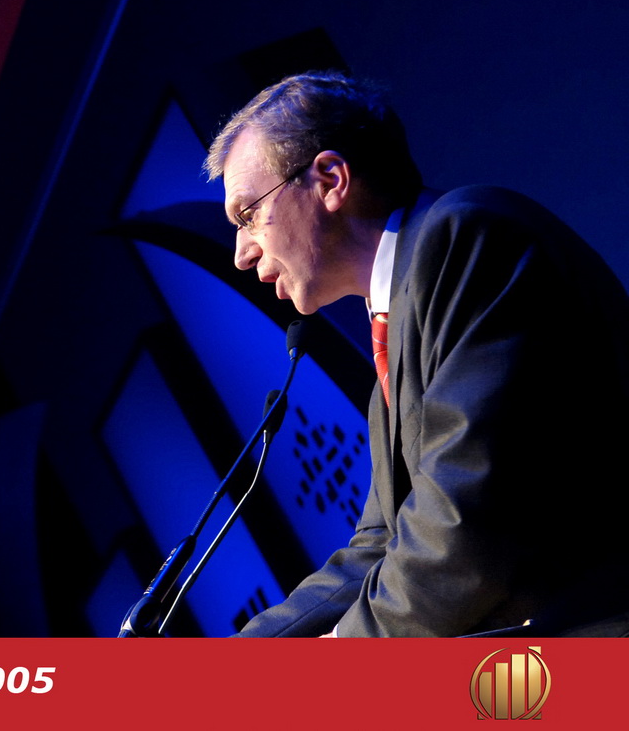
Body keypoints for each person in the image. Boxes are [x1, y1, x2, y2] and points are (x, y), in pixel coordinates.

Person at [204, 70, 629, 637]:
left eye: (247, 214)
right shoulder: (397, 320)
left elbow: (466, 523)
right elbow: (377, 547)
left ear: (330, 180)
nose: (241, 252)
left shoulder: (466, 236)